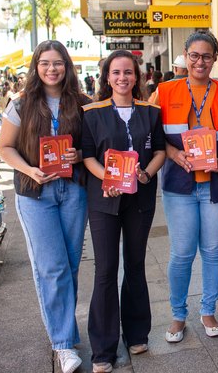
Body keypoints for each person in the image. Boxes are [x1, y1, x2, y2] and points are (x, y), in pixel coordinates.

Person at [0, 40, 91, 373]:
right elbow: (5, 148)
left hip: (73, 191)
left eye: (58, 63)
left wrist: (79, 155)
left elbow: (91, 147)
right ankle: (64, 344)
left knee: (70, 264)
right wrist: (29, 170)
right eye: (45, 63)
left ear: (67, 66)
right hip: (35, 193)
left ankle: (64, 329)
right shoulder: (21, 104)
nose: (52, 69)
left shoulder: (82, 103)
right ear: (36, 67)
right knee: (51, 267)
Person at [151, 31, 218, 344]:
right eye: (194, 55)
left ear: (215, 58)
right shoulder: (164, 91)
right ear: (185, 57)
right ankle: (178, 315)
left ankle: (208, 310)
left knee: (214, 251)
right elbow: (150, 135)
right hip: (179, 185)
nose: (200, 61)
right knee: (181, 253)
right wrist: (175, 155)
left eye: (206, 56)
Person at [81, 50, 166, 372]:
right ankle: (103, 349)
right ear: (106, 77)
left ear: (137, 77)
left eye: (128, 72)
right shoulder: (92, 113)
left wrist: (146, 173)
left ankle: (136, 334)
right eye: (116, 72)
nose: (122, 78)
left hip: (140, 199)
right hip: (104, 201)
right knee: (105, 271)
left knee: (135, 265)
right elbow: (88, 156)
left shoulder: (151, 112)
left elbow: (159, 150)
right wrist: (109, 177)